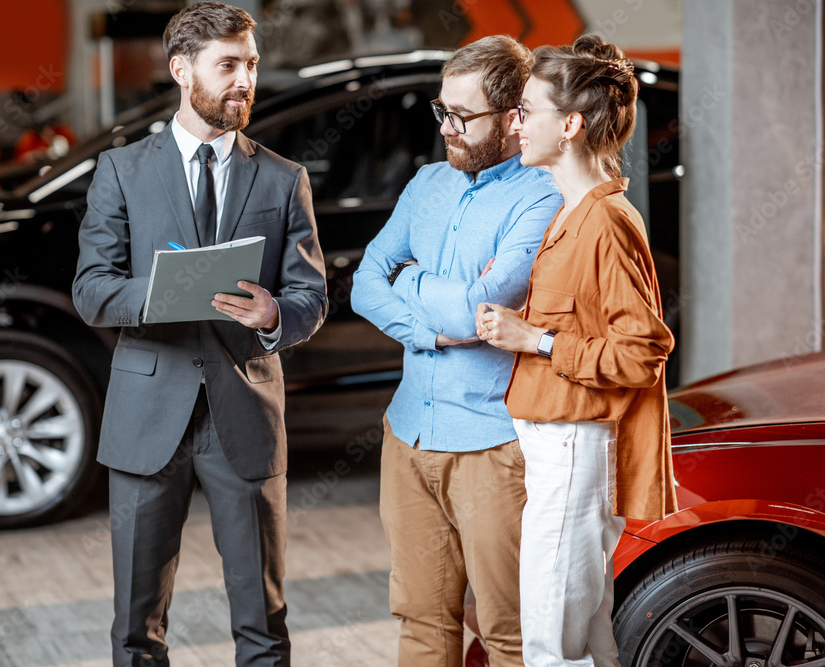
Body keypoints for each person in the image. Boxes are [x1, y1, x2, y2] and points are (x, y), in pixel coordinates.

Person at [71, 3, 327, 665]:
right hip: (146, 416)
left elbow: (310, 296)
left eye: (251, 64)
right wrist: (163, 292)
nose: (245, 79)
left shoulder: (282, 178)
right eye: (229, 65)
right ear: (182, 69)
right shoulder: (121, 172)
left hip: (244, 415)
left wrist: (275, 314)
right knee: (135, 627)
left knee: (264, 625)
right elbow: (91, 288)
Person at [350, 35, 563, 667]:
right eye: (442, 110)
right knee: (420, 623)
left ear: (512, 118)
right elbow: (364, 282)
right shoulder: (426, 183)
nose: (447, 128)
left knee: (507, 632)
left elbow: (487, 306)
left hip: (493, 447)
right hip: (408, 434)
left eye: (462, 117)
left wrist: (410, 282)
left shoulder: (541, 195)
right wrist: (432, 324)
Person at [476, 35, 676, 666]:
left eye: (526, 109)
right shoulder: (573, 211)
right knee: (586, 639)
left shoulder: (604, 221)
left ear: (569, 125)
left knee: (550, 643)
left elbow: (641, 352)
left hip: (576, 447)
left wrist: (532, 338)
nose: (515, 122)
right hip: (556, 445)